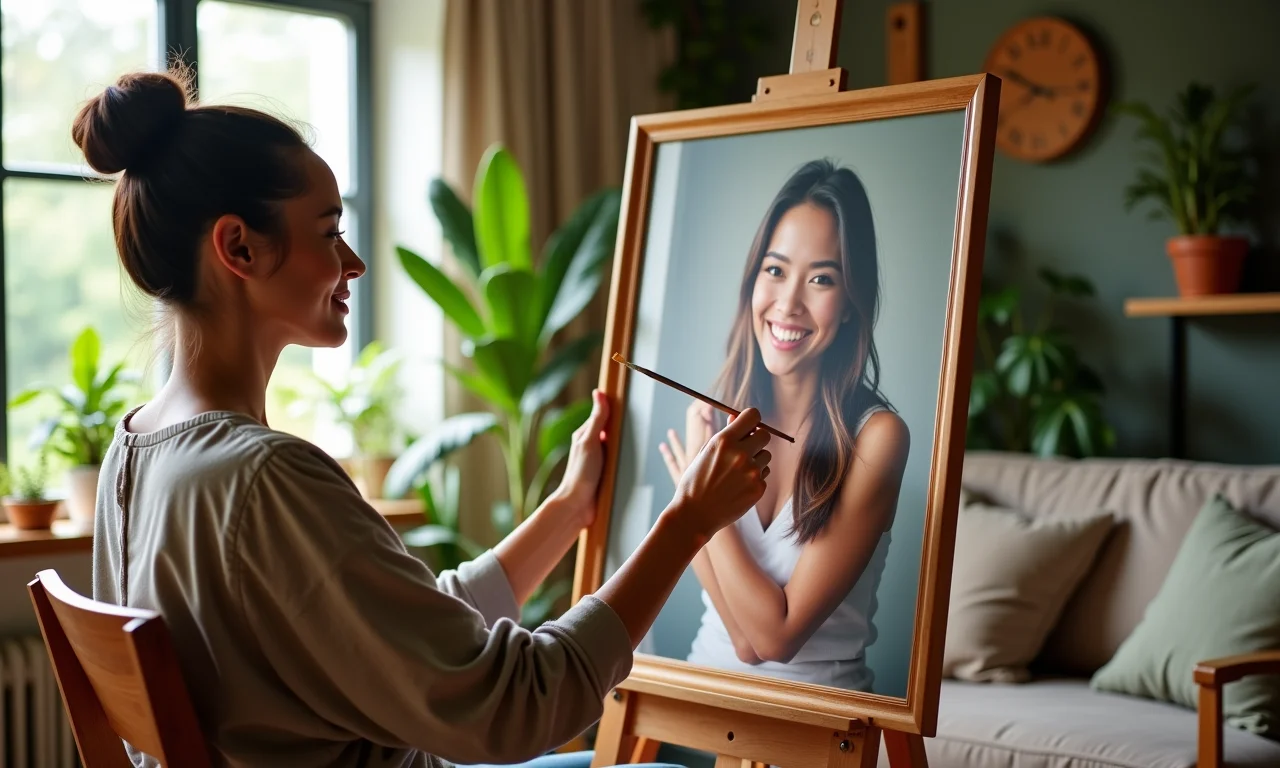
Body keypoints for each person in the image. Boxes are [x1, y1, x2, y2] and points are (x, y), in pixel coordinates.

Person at [73, 66, 774, 768]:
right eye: (328, 233)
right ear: (239, 248)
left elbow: (399, 631)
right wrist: (686, 524)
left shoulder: (136, 452)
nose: (353, 263)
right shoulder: (264, 478)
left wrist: (567, 509)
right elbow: (516, 706)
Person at [657, 159, 910, 693]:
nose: (789, 303)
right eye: (775, 270)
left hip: (817, 727)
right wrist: (695, 502)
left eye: (821, 278)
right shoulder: (717, 416)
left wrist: (699, 504)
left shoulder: (876, 438)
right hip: (701, 702)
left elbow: (777, 639)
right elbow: (746, 644)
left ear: (849, 304)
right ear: (753, 281)